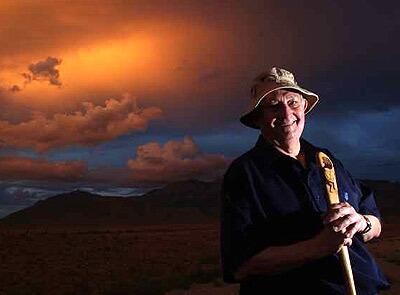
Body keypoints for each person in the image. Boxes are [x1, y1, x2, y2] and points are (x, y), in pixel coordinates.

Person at [220, 67, 390, 294]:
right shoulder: (244, 174)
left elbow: (374, 222)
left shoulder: (327, 161)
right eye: (273, 105)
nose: (286, 114)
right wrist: (320, 246)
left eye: (293, 103)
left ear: (304, 108)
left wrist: (361, 222)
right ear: (258, 117)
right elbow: (240, 266)